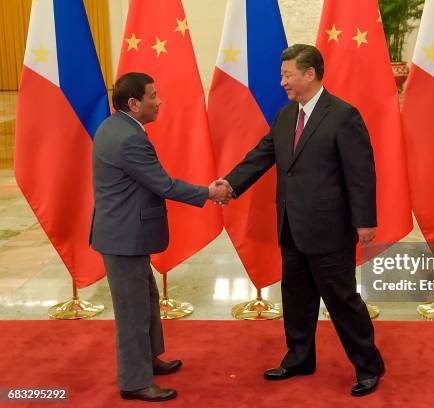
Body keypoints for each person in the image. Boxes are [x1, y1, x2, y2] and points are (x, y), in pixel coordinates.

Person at [223, 44, 385, 397]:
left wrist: (365, 221)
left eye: (287, 75)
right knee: (296, 296)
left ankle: (368, 366)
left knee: (341, 299)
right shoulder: (285, 116)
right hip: (291, 225)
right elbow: (261, 156)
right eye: (282, 75)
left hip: (330, 229)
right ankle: (300, 357)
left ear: (309, 74)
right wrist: (229, 185)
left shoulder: (343, 115)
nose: (282, 82)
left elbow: (361, 174)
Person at [89, 72, 231, 402]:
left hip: (125, 233)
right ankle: (135, 381)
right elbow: (163, 184)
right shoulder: (129, 139)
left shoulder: (115, 126)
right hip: (123, 237)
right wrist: (209, 192)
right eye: (153, 95)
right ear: (134, 103)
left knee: (147, 300)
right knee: (133, 312)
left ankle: (148, 360)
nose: (159, 101)